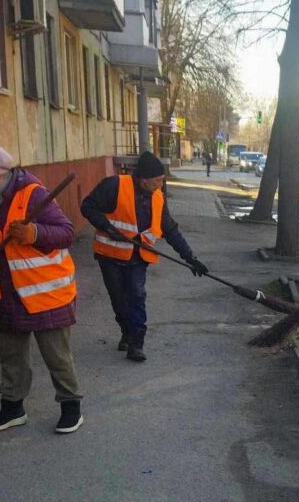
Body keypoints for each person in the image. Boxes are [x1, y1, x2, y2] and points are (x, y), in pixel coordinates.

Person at [0, 140, 83, 434]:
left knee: (56, 355)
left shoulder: (33, 194)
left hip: (46, 293)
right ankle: (12, 408)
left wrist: (33, 233)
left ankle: (70, 407)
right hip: (8, 293)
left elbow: (66, 233)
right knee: (11, 354)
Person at [80, 151, 210, 362]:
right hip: (110, 256)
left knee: (137, 296)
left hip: (139, 258)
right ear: (143, 179)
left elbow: (170, 230)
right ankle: (126, 331)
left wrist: (191, 258)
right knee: (119, 300)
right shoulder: (113, 186)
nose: (161, 185)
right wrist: (107, 227)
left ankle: (136, 344)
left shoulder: (157, 197)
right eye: (157, 180)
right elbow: (87, 207)